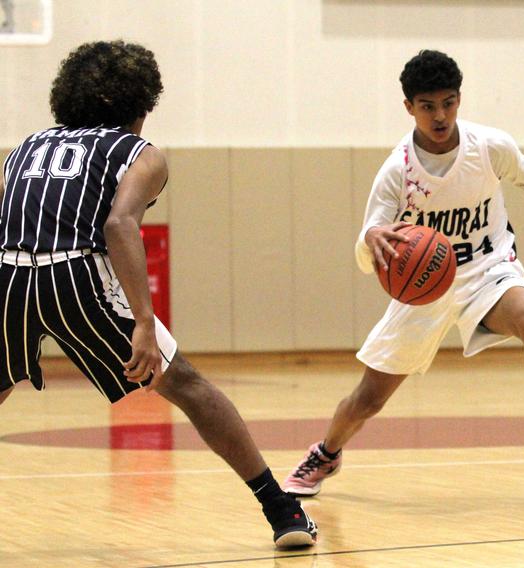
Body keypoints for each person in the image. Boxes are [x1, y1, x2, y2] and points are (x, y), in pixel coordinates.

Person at [0, 41, 316, 547]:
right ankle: (282, 511)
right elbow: (119, 224)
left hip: (8, 275)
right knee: (186, 385)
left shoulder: (25, 148)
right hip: (75, 278)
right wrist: (144, 321)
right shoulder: (138, 153)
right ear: (142, 106)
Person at [285, 49, 524, 496]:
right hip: (423, 290)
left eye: (448, 102)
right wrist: (370, 242)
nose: (440, 115)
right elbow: (368, 245)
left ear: (460, 99)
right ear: (409, 107)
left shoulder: (489, 146)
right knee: (368, 398)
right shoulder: (396, 171)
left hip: (489, 272)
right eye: (428, 106)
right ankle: (326, 453)